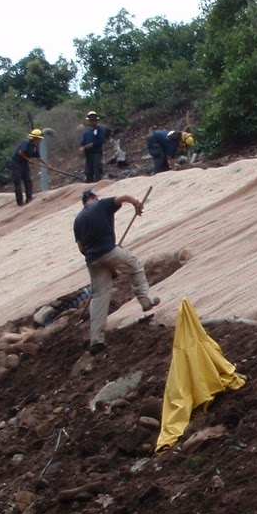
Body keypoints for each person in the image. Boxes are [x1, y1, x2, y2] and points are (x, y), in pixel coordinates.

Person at [73, 187, 160, 353]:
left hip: (92, 259)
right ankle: (145, 300)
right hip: (108, 250)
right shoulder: (102, 204)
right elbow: (125, 196)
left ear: (84, 202)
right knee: (134, 265)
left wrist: (102, 263)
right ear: (95, 197)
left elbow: (81, 247)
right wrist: (136, 204)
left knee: (99, 296)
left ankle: (96, 340)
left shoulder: (78, 219)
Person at [12, 129, 44, 205]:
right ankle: (20, 202)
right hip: (17, 163)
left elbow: (38, 157)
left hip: (24, 163)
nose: (40, 141)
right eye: (39, 139)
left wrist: (48, 165)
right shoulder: (26, 143)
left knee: (28, 180)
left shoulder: (34, 146)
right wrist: (28, 159)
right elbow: (20, 152)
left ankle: (29, 198)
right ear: (35, 138)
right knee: (18, 181)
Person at [80, 111, 112, 183]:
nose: (92, 122)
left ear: (96, 121)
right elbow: (83, 141)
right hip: (88, 154)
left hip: (96, 153)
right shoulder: (87, 132)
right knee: (89, 171)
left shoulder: (100, 129)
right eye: (90, 120)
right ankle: (89, 185)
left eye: (94, 120)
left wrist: (92, 145)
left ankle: (98, 185)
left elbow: (101, 140)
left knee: (97, 169)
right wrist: (82, 147)